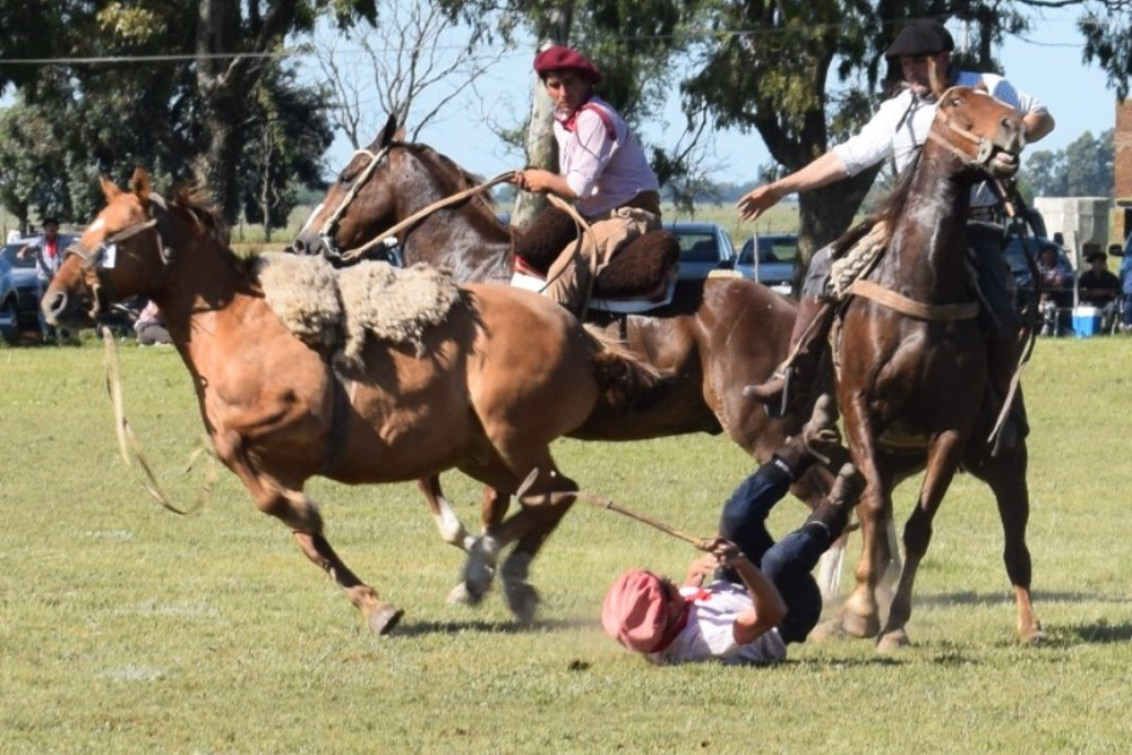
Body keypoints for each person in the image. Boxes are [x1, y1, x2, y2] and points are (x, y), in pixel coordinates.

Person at [738, 18, 1055, 422]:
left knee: (1000, 310)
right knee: (821, 264)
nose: (910, 73)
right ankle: (795, 373)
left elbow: (1042, 116)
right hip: (904, 225)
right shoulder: (897, 110)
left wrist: (1016, 135)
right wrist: (780, 188)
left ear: (943, 58)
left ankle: (1002, 408)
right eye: (904, 65)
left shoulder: (988, 88)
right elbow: (847, 157)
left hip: (975, 225)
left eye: (918, 63)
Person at [601, 395, 865, 664]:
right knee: (778, 561)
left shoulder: (662, 624)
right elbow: (771, 613)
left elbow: (682, 607)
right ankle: (836, 507)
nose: (668, 579)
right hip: (787, 613)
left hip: (734, 586)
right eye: (665, 585)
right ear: (667, 609)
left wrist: (693, 577)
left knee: (735, 516)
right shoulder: (707, 642)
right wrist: (740, 562)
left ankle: (807, 445)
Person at [510, 45, 662, 316]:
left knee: (565, 268)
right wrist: (536, 180)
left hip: (630, 216)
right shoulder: (563, 120)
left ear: (586, 82)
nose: (563, 93)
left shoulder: (594, 117)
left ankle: (565, 351)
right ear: (546, 88)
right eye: (555, 85)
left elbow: (577, 187)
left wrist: (543, 179)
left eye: (570, 83)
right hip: (596, 217)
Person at [1077, 245, 1120, 332]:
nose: (1097, 265)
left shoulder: (1111, 277)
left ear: (1104, 263)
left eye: (1100, 262)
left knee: (1111, 307)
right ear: (1092, 264)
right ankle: (1088, 329)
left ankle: (1107, 329)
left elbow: (1115, 291)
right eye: (1095, 262)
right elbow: (1083, 292)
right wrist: (1105, 292)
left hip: (1106, 302)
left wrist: (1097, 292)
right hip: (1089, 302)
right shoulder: (1085, 277)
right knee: (1084, 307)